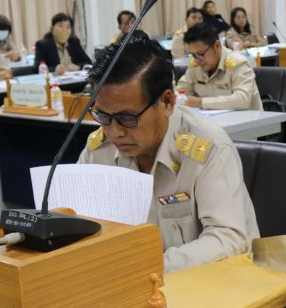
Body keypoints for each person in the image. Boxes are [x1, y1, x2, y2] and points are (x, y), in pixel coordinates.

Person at [77, 37, 258, 271]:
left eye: (127, 118)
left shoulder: (208, 147)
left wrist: (149, 268)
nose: (114, 132)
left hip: (214, 283)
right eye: (103, 116)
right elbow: (78, 222)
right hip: (132, 283)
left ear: (167, 102)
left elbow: (229, 239)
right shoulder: (99, 150)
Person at [175, 24, 262, 110]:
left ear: (217, 46)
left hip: (247, 118)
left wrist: (200, 102)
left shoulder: (238, 63)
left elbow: (243, 99)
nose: (197, 60)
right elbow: (179, 92)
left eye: (201, 54)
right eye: (193, 55)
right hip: (210, 118)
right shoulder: (195, 66)